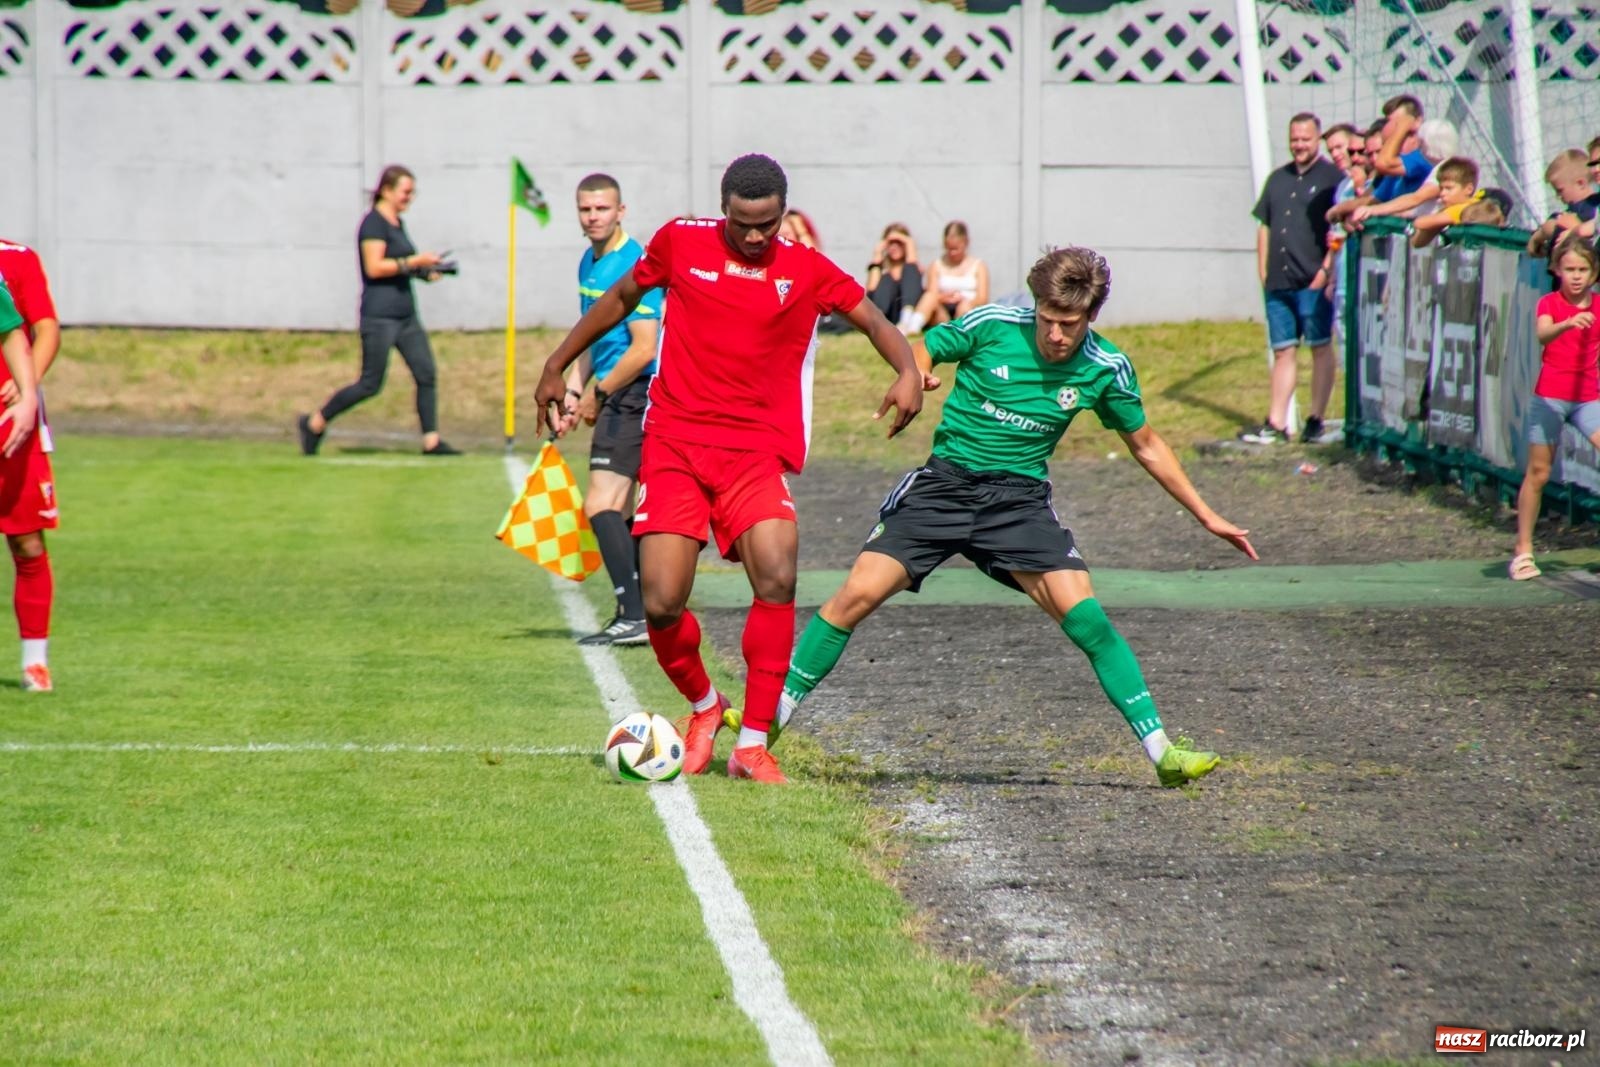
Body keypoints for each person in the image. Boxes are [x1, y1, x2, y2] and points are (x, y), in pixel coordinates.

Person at [774, 247, 1257, 787]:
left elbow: (1146, 445)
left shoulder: (1104, 367)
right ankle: (765, 727)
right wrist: (918, 375)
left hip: (1018, 503)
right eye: (1047, 320)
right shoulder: (994, 323)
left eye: (1068, 324)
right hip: (945, 488)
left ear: (1090, 317)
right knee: (853, 598)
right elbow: (928, 346)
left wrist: (1207, 515)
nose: (1054, 334)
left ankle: (1163, 752)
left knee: (1089, 619)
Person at [534, 154, 925, 785]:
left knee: (778, 572)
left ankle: (751, 744)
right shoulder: (679, 242)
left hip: (753, 452)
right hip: (675, 443)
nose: (753, 236)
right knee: (661, 601)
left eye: (766, 224)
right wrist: (557, 363)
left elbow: (874, 319)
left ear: (782, 214)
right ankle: (705, 707)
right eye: (743, 223)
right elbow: (622, 297)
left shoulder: (803, 267)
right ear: (724, 209)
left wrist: (907, 371)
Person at [559, 173, 663, 647]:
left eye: (602, 209)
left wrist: (599, 396)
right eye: (585, 209)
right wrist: (573, 390)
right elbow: (590, 335)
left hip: (635, 391)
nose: (593, 217)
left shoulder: (636, 264)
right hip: (614, 391)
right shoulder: (588, 261)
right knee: (622, 507)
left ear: (621, 211)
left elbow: (644, 348)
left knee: (601, 502)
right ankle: (646, 610)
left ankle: (634, 613)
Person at [298, 165, 458, 456]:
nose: (410, 197)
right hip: (379, 316)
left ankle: (431, 441)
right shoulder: (372, 224)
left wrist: (426, 271)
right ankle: (314, 423)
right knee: (370, 383)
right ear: (387, 190)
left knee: (426, 373)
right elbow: (374, 267)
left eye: (412, 192)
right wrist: (415, 261)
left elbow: (401, 265)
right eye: (406, 191)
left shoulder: (397, 223)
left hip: (405, 315)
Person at [1240, 112, 1342, 445]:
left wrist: (1325, 270)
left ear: (1317, 139)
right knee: (1283, 350)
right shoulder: (1277, 179)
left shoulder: (1332, 178)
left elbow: (1337, 231)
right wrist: (1263, 270)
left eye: (1305, 139)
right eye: (1294, 139)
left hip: (1312, 279)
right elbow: (1264, 225)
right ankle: (1276, 421)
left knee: (1320, 347)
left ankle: (1316, 418)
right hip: (1279, 282)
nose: (1299, 145)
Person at [1510, 236, 1600, 581]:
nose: (1576, 276)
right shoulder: (1550, 303)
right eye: (1569, 269)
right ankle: (1523, 550)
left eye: (1583, 270)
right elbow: (1543, 334)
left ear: (1593, 273)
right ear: (1557, 270)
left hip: (1587, 400)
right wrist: (1568, 322)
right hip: (1550, 398)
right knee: (1540, 473)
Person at [0, 241, 55, 691]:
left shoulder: (16, 258)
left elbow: (26, 328)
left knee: (27, 542)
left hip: (8, 426)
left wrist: (27, 390)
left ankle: (35, 663)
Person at [903, 221, 989, 333]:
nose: (952, 253)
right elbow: (931, 293)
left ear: (965, 242)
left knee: (965, 307)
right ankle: (912, 327)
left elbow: (983, 298)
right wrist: (944, 297)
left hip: (967, 308)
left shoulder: (979, 266)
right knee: (929, 297)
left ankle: (960, 332)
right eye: (949, 249)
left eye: (956, 249)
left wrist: (965, 300)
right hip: (942, 311)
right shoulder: (936, 265)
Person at [1526, 149, 1600, 258]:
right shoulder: (1576, 209)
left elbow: (1555, 226)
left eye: (1560, 190)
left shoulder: (1590, 208)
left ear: (1580, 183)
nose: (1558, 196)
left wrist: (1540, 235)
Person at [1408, 157, 1483, 248]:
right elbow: (1417, 243)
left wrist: (1414, 222)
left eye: (1449, 188)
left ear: (1469, 189)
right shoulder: (1478, 204)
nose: (1442, 193)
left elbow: (1421, 223)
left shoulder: (1461, 209)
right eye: (1441, 188)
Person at [864, 222, 923, 330]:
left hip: (907, 310)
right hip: (885, 312)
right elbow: (871, 291)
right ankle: (881, 322)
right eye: (891, 243)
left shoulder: (912, 268)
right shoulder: (881, 270)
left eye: (899, 243)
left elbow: (912, 266)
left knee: (910, 270)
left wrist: (907, 241)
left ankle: (906, 318)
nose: (894, 247)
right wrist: (877, 255)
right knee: (887, 278)